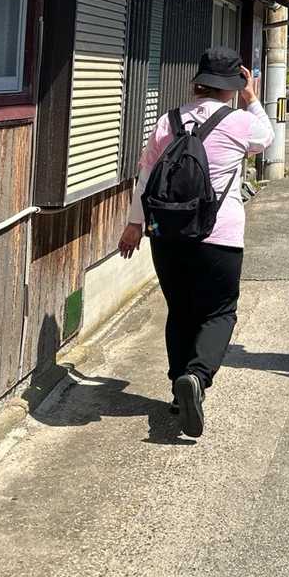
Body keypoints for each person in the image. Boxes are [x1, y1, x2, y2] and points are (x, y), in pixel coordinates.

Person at [118, 46, 273, 437]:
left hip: (167, 235)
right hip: (219, 236)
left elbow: (145, 177)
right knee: (220, 311)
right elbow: (267, 138)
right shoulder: (240, 122)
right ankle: (197, 377)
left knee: (180, 310)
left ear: (198, 81)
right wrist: (252, 97)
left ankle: (178, 387)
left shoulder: (168, 121)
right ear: (231, 85)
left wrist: (134, 225)